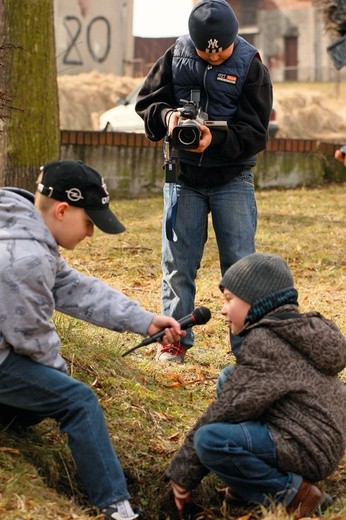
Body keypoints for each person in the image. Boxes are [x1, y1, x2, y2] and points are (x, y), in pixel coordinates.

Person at [0, 160, 185, 520]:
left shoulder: (20, 225)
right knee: (78, 401)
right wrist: (60, 385)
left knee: (46, 396)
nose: (91, 234)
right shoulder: (26, 258)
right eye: (89, 223)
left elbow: (77, 290)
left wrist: (144, 321)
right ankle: (117, 509)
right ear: (63, 209)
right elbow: (32, 339)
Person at [135, 0, 273, 363]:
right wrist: (166, 118)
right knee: (178, 264)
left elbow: (257, 132)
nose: (213, 58)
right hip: (183, 179)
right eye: (204, 51)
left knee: (240, 265)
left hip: (232, 178)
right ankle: (174, 341)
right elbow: (147, 103)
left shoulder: (251, 64)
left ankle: (248, 350)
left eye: (222, 51)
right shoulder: (174, 55)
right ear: (193, 42)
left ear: (234, 40)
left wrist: (219, 140)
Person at [164, 253, 346, 519]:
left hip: (307, 447)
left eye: (229, 300)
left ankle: (294, 494)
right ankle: (247, 483)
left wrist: (182, 473)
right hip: (320, 436)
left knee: (210, 440)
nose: (223, 310)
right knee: (230, 376)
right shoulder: (296, 327)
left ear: (257, 301)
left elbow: (224, 410)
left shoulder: (266, 344)